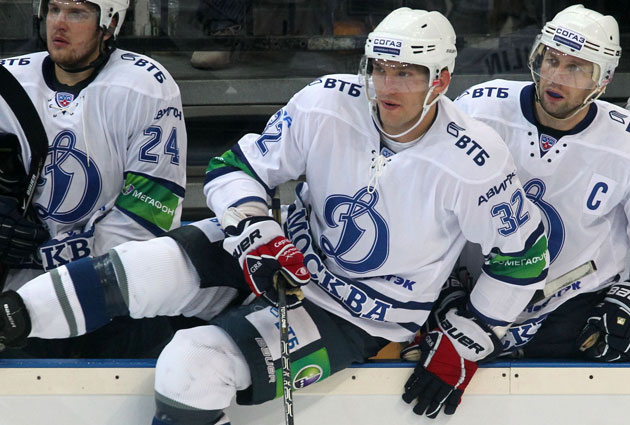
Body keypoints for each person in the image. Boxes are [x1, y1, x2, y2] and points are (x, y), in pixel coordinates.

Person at [0, 7, 548, 422]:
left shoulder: (473, 159)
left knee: (195, 364)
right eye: (379, 69)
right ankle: (9, 321)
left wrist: (470, 338)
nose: (386, 87)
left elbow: (524, 257)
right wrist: (255, 230)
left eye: (406, 74)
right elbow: (234, 167)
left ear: (442, 81)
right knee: (141, 268)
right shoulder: (328, 103)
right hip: (282, 253)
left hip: (358, 312)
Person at [0, 0, 186, 357]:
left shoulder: (146, 88)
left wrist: (52, 261)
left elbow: (149, 219)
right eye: (53, 10)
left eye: (77, 13)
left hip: (111, 300)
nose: (59, 24)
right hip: (16, 302)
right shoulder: (8, 82)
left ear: (110, 23)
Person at [454, 4, 630, 361]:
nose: (556, 78)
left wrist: (626, 298)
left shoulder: (624, 139)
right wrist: (445, 288)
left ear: (604, 80)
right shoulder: (477, 111)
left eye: (576, 68)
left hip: (574, 311)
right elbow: (430, 207)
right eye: (551, 61)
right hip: (475, 305)